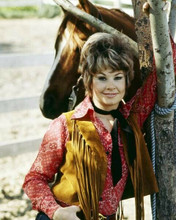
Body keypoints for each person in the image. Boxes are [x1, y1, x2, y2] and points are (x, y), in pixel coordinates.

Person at [23, 32, 176, 220]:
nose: (111, 86)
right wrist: (57, 212)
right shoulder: (65, 124)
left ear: (127, 80)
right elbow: (34, 178)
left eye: (118, 77)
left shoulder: (131, 119)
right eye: (102, 78)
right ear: (89, 80)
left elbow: (165, 67)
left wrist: (153, 16)